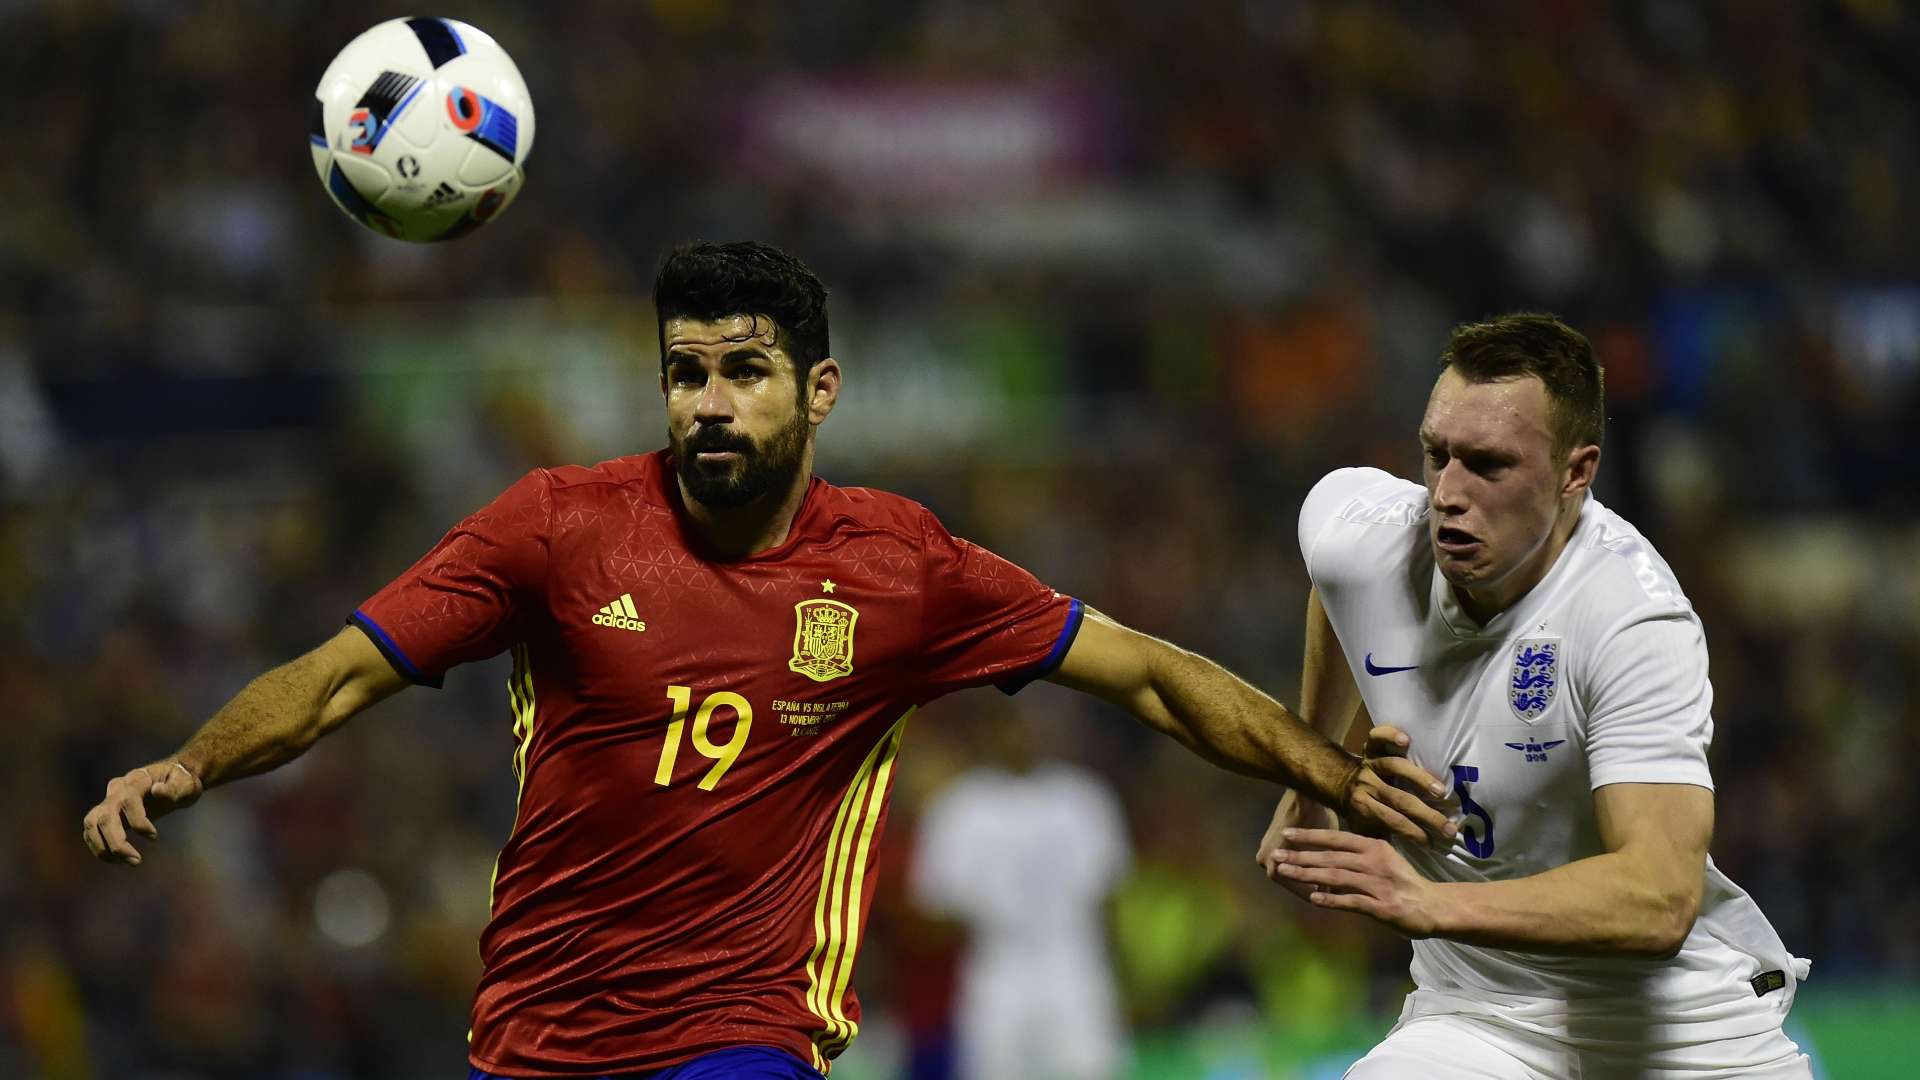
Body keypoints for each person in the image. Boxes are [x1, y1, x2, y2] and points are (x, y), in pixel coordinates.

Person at [83, 241, 1452, 1080]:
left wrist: (1323, 762)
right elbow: (336, 676)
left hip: (743, 1034)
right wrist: (194, 762)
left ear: (821, 389)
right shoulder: (555, 529)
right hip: (537, 1034)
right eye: (686, 373)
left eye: (743, 370)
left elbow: (1149, 674)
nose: (709, 402)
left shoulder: (904, 568)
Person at [1256, 313, 1812, 1078]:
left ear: (1575, 473)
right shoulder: (1364, 533)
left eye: (1488, 465)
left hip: (1677, 1033)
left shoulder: (1629, 615)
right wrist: (1313, 770)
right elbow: (1338, 583)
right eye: (1436, 454)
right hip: (1479, 1018)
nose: (1447, 492)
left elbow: (1658, 895)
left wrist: (1429, 903)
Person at [910, 710, 1130, 1080]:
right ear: (986, 732)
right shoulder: (960, 807)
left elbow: (1111, 896)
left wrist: (1126, 974)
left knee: (1089, 1069)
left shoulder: (1082, 798)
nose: (1017, 735)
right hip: (997, 968)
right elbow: (932, 910)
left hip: (1074, 962)